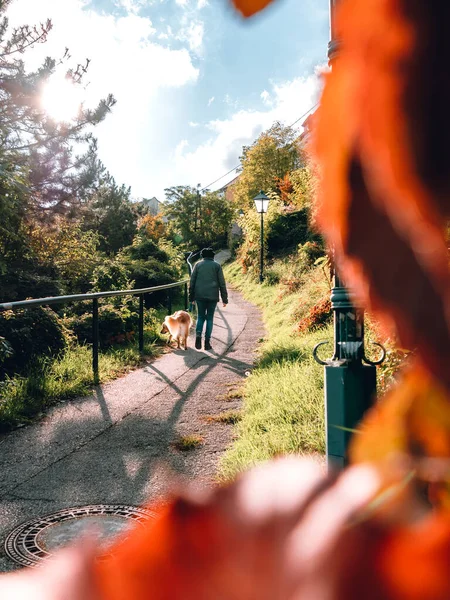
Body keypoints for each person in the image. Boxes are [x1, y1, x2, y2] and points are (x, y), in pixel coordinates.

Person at [189, 247, 228, 351]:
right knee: (210, 318)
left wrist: (191, 297)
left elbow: (192, 282)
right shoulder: (217, 266)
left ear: (202, 256)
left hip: (199, 296)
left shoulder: (197, 265)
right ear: (212, 256)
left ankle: (198, 336)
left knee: (200, 317)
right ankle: (207, 342)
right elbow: (222, 283)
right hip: (212, 296)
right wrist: (225, 299)